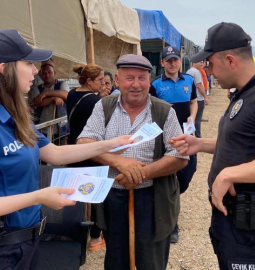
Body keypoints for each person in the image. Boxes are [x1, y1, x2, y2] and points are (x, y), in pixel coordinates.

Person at [0, 29, 131, 270]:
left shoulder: (15, 117)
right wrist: (39, 196)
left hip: (27, 242)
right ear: (4, 69)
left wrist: (111, 143)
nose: (35, 70)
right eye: (29, 63)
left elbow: (55, 153)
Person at [170, 22, 255, 270]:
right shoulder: (244, 92)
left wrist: (229, 174)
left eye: (210, 64)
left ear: (230, 60)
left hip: (250, 225)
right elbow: (243, 142)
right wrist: (199, 143)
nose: (208, 71)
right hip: (231, 219)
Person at [77, 54, 188, 270]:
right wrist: (119, 163)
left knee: (151, 260)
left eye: (142, 78)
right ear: (117, 80)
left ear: (150, 80)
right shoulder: (104, 107)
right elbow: (85, 141)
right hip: (113, 197)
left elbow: (180, 156)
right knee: (116, 258)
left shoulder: (164, 111)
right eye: (129, 78)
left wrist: (142, 174)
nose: (136, 85)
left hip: (153, 198)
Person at [150, 46, 197, 243]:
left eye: (175, 59)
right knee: (170, 178)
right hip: (166, 139)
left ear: (180, 60)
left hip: (187, 135)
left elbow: (194, 101)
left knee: (188, 172)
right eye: (168, 60)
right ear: (162, 63)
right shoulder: (156, 85)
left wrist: (193, 118)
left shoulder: (190, 80)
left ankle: (175, 194)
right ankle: (172, 223)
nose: (172, 63)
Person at [66, 63, 106, 252]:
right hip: (91, 150)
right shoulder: (96, 101)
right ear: (89, 81)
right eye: (100, 80)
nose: (103, 83)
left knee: (77, 193)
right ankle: (95, 238)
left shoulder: (71, 94)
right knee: (96, 193)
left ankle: (74, 233)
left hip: (73, 149)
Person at [31, 59, 69, 143]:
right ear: (41, 75)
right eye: (44, 73)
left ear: (54, 73)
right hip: (42, 128)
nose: (47, 75)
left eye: (49, 72)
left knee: (61, 152)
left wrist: (46, 93)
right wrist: (53, 98)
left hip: (60, 128)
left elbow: (66, 95)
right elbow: (38, 103)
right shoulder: (38, 88)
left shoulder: (62, 84)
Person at [187, 60, 210, 138]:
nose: (201, 64)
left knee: (190, 118)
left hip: (190, 98)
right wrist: (205, 97)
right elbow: (199, 85)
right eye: (200, 62)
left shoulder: (188, 71)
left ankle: (188, 135)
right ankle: (198, 137)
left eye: (202, 62)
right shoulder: (196, 72)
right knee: (197, 119)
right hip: (198, 99)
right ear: (194, 62)